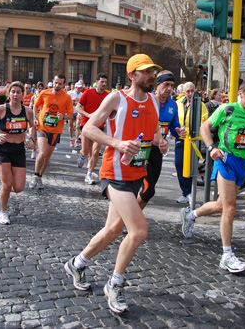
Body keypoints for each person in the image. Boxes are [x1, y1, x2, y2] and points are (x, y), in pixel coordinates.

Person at [64, 54, 167, 314]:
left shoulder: (154, 101)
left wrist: (161, 142)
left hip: (136, 175)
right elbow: (88, 129)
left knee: (111, 230)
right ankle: (115, 284)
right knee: (138, 231)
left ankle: (77, 263)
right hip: (114, 174)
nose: (151, 76)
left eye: (152, 71)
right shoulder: (117, 98)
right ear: (132, 75)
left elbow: (154, 134)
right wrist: (117, 143)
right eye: (145, 72)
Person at [180, 80, 245, 274]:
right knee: (231, 207)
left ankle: (190, 215)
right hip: (225, 159)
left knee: (221, 205)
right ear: (241, 94)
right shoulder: (227, 109)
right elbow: (205, 127)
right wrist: (211, 148)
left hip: (243, 163)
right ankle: (226, 255)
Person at [0, 81, 37, 225]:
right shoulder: (1, 109)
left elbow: (32, 126)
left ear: (22, 94)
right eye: (12, 92)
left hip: (19, 149)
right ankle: (3, 211)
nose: (15, 94)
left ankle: (4, 189)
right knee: (7, 184)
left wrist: (31, 138)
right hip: (2, 149)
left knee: (18, 188)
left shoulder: (27, 111)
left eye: (18, 92)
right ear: (9, 94)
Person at [136, 70, 184, 210]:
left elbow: (174, 128)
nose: (170, 88)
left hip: (158, 152)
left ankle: (131, 219)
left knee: (148, 192)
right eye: (166, 84)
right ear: (157, 85)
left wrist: (178, 132)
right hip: (142, 150)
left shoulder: (173, 105)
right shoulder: (146, 99)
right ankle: (128, 220)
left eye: (172, 85)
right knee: (147, 190)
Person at [29, 74, 73, 190]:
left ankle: (39, 176)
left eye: (60, 83)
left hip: (56, 130)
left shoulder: (66, 97)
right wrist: (34, 118)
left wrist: (63, 117)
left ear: (64, 84)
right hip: (43, 128)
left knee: (47, 158)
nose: (57, 85)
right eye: (56, 82)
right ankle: (35, 176)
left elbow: (70, 115)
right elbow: (35, 105)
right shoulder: (44, 93)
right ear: (53, 81)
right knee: (42, 153)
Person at [175, 82, 208, 204]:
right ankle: (185, 192)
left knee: (191, 166)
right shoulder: (178, 104)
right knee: (179, 164)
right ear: (183, 92)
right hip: (181, 138)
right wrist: (176, 130)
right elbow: (175, 119)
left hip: (194, 139)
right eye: (188, 91)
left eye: (192, 91)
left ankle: (190, 193)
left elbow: (204, 120)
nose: (190, 94)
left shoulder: (201, 105)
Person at [76, 74, 110, 185]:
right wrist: (88, 115)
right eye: (102, 82)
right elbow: (78, 107)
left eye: (105, 82)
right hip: (86, 125)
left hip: (99, 127)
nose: (104, 84)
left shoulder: (108, 95)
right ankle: (82, 156)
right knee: (85, 151)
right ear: (96, 82)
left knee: (95, 152)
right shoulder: (88, 93)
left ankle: (89, 174)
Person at [68, 81, 85, 147]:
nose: (79, 89)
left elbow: (83, 104)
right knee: (71, 126)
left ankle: (76, 140)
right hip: (71, 111)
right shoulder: (70, 93)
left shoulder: (82, 94)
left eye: (80, 88)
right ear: (75, 88)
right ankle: (71, 139)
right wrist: (72, 99)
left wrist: (80, 112)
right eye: (78, 88)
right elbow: (66, 101)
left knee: (78, 126)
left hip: (78, 112)